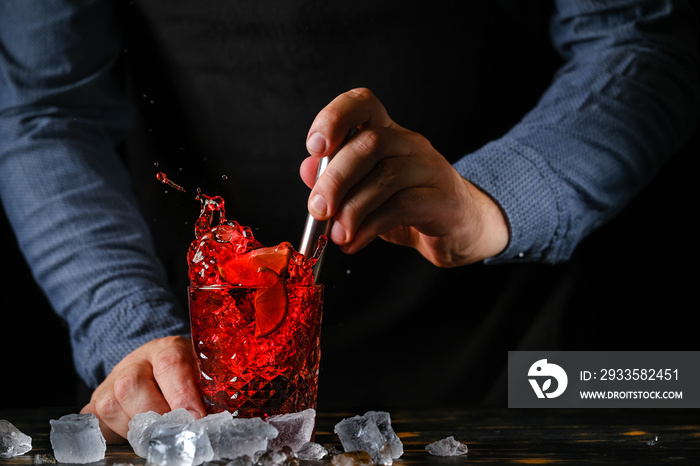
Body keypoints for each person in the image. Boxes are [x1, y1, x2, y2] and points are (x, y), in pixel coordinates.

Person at [1, 0, 698, 443]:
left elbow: (639, 37)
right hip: (194, 381)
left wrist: (492, 200)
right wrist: (127, 328)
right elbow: (44, 111)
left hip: (527, 350)